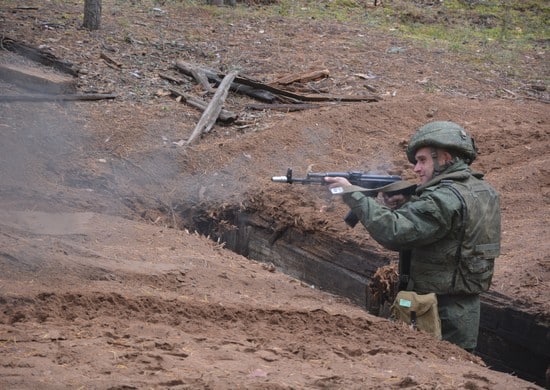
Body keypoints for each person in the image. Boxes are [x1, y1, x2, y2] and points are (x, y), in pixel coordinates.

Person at [325, 121, 501, 352]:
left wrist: (354, 196)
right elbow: (448, 231)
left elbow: (395, 232)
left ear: (445, 158)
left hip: (436, 312)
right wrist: (408, 203)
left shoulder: (443, 198)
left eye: (423, 160)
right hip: (462, 309)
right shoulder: (482, 190)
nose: (416, 169)